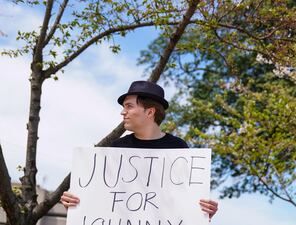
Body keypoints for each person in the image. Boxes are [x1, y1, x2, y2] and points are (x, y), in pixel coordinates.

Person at [61, 80, 218, 220]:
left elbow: (185, 200)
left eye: (129, 106)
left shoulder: (178, 148)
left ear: (150, 112)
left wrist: (203, 212)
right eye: (124, 107)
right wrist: (76, 203)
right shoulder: (116, 149)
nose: (123, 112)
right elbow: (102, 200)